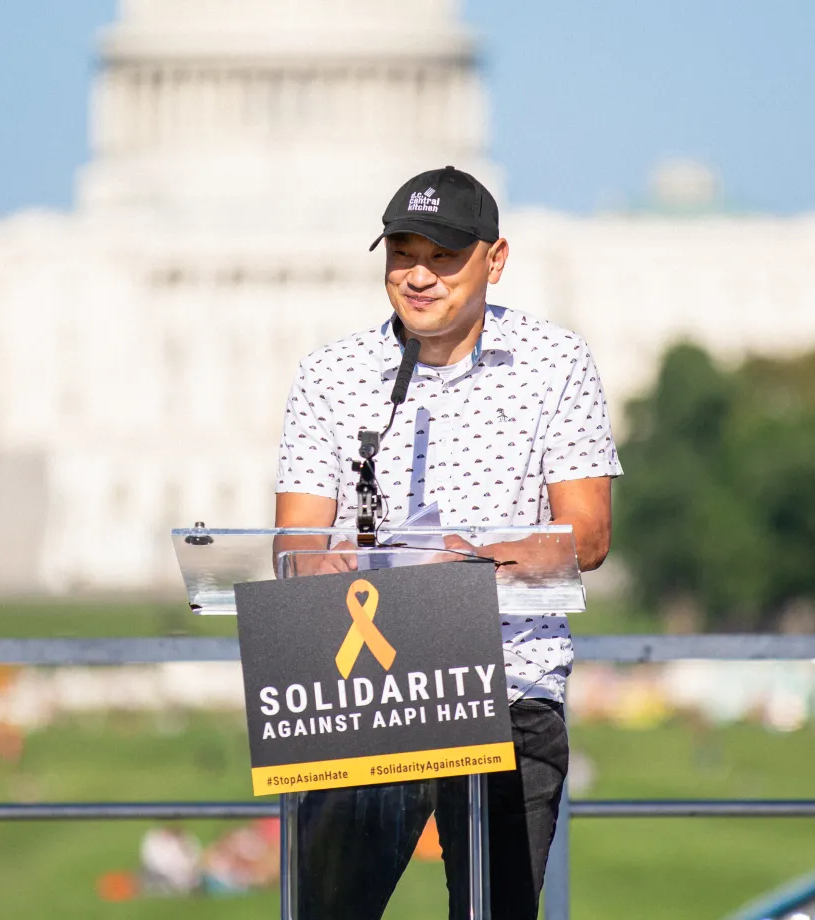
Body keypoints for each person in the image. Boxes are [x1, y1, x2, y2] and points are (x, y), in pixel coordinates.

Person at [273, 165, 620, 919]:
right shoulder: (331, 375)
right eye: (403, 254)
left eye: (443, 256)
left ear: (494, 260)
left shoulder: (556, 362)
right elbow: (294, 543)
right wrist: (326, 560)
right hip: (366, 691)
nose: (419, 276)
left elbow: (587, 536)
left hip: (508, 688)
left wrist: (465, 565)